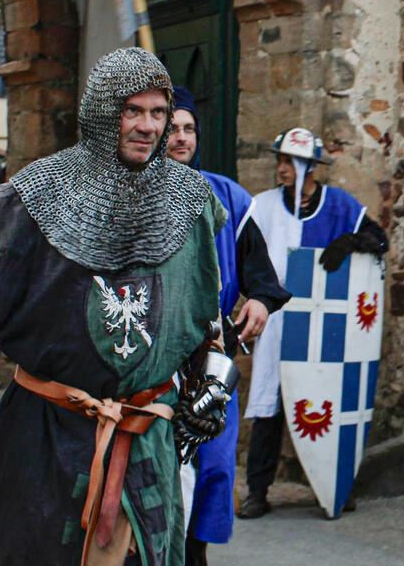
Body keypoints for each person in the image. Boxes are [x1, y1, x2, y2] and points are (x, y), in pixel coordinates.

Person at [0, 48, 239, 566]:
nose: (149, 126)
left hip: (144, 436)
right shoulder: (32, 198)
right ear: (102, 114)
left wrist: (213, 384)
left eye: (158, 113)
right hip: (45, 433)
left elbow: (203, 311)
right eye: (133, 111)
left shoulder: (190, 202)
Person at [164, 86, 290, 563]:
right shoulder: (132, 194)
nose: (181, 138)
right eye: (172, 129)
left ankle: (195, 554)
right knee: (158, 464)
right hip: (151, 354)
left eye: (188, 128)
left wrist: (259, 301)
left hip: (211, 355)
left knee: (214, 464)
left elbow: (261, 275)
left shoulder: (228, 197)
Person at [238, 126, 388, 520]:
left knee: (328, 399)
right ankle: (257, 491)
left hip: (324, 326)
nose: (282, 169)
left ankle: (335, 484)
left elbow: (379, 240)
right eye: (280, 160)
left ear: (309, 167)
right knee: (268, 405)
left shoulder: (338, 206)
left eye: (290, 162)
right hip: (277, 320)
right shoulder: (263, 206)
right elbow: (243, 254)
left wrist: (349, 243)